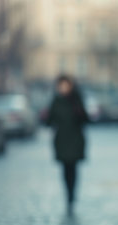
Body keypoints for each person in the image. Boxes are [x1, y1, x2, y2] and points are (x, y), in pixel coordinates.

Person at [47, 75, 88, 213]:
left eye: (66, 85)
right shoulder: (56, 101)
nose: (63, 88)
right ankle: (68, 194)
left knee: (73, 168)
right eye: (61, 85)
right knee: (65, 169)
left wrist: (79, 111)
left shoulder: (76, 100)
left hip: (75, 139)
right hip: (62, 140)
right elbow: (49, 120)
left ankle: (72, 194)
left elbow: (85, 119)